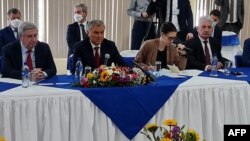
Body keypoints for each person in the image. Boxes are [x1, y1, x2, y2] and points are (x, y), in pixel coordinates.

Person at [66, 3, 88, 70]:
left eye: (78, 12)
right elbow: (70, 44)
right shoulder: (71, 27)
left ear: (85, 13)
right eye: (75, 12)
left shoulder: (91, 26)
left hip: (88, 58)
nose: (76, 14)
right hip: (74, 58)